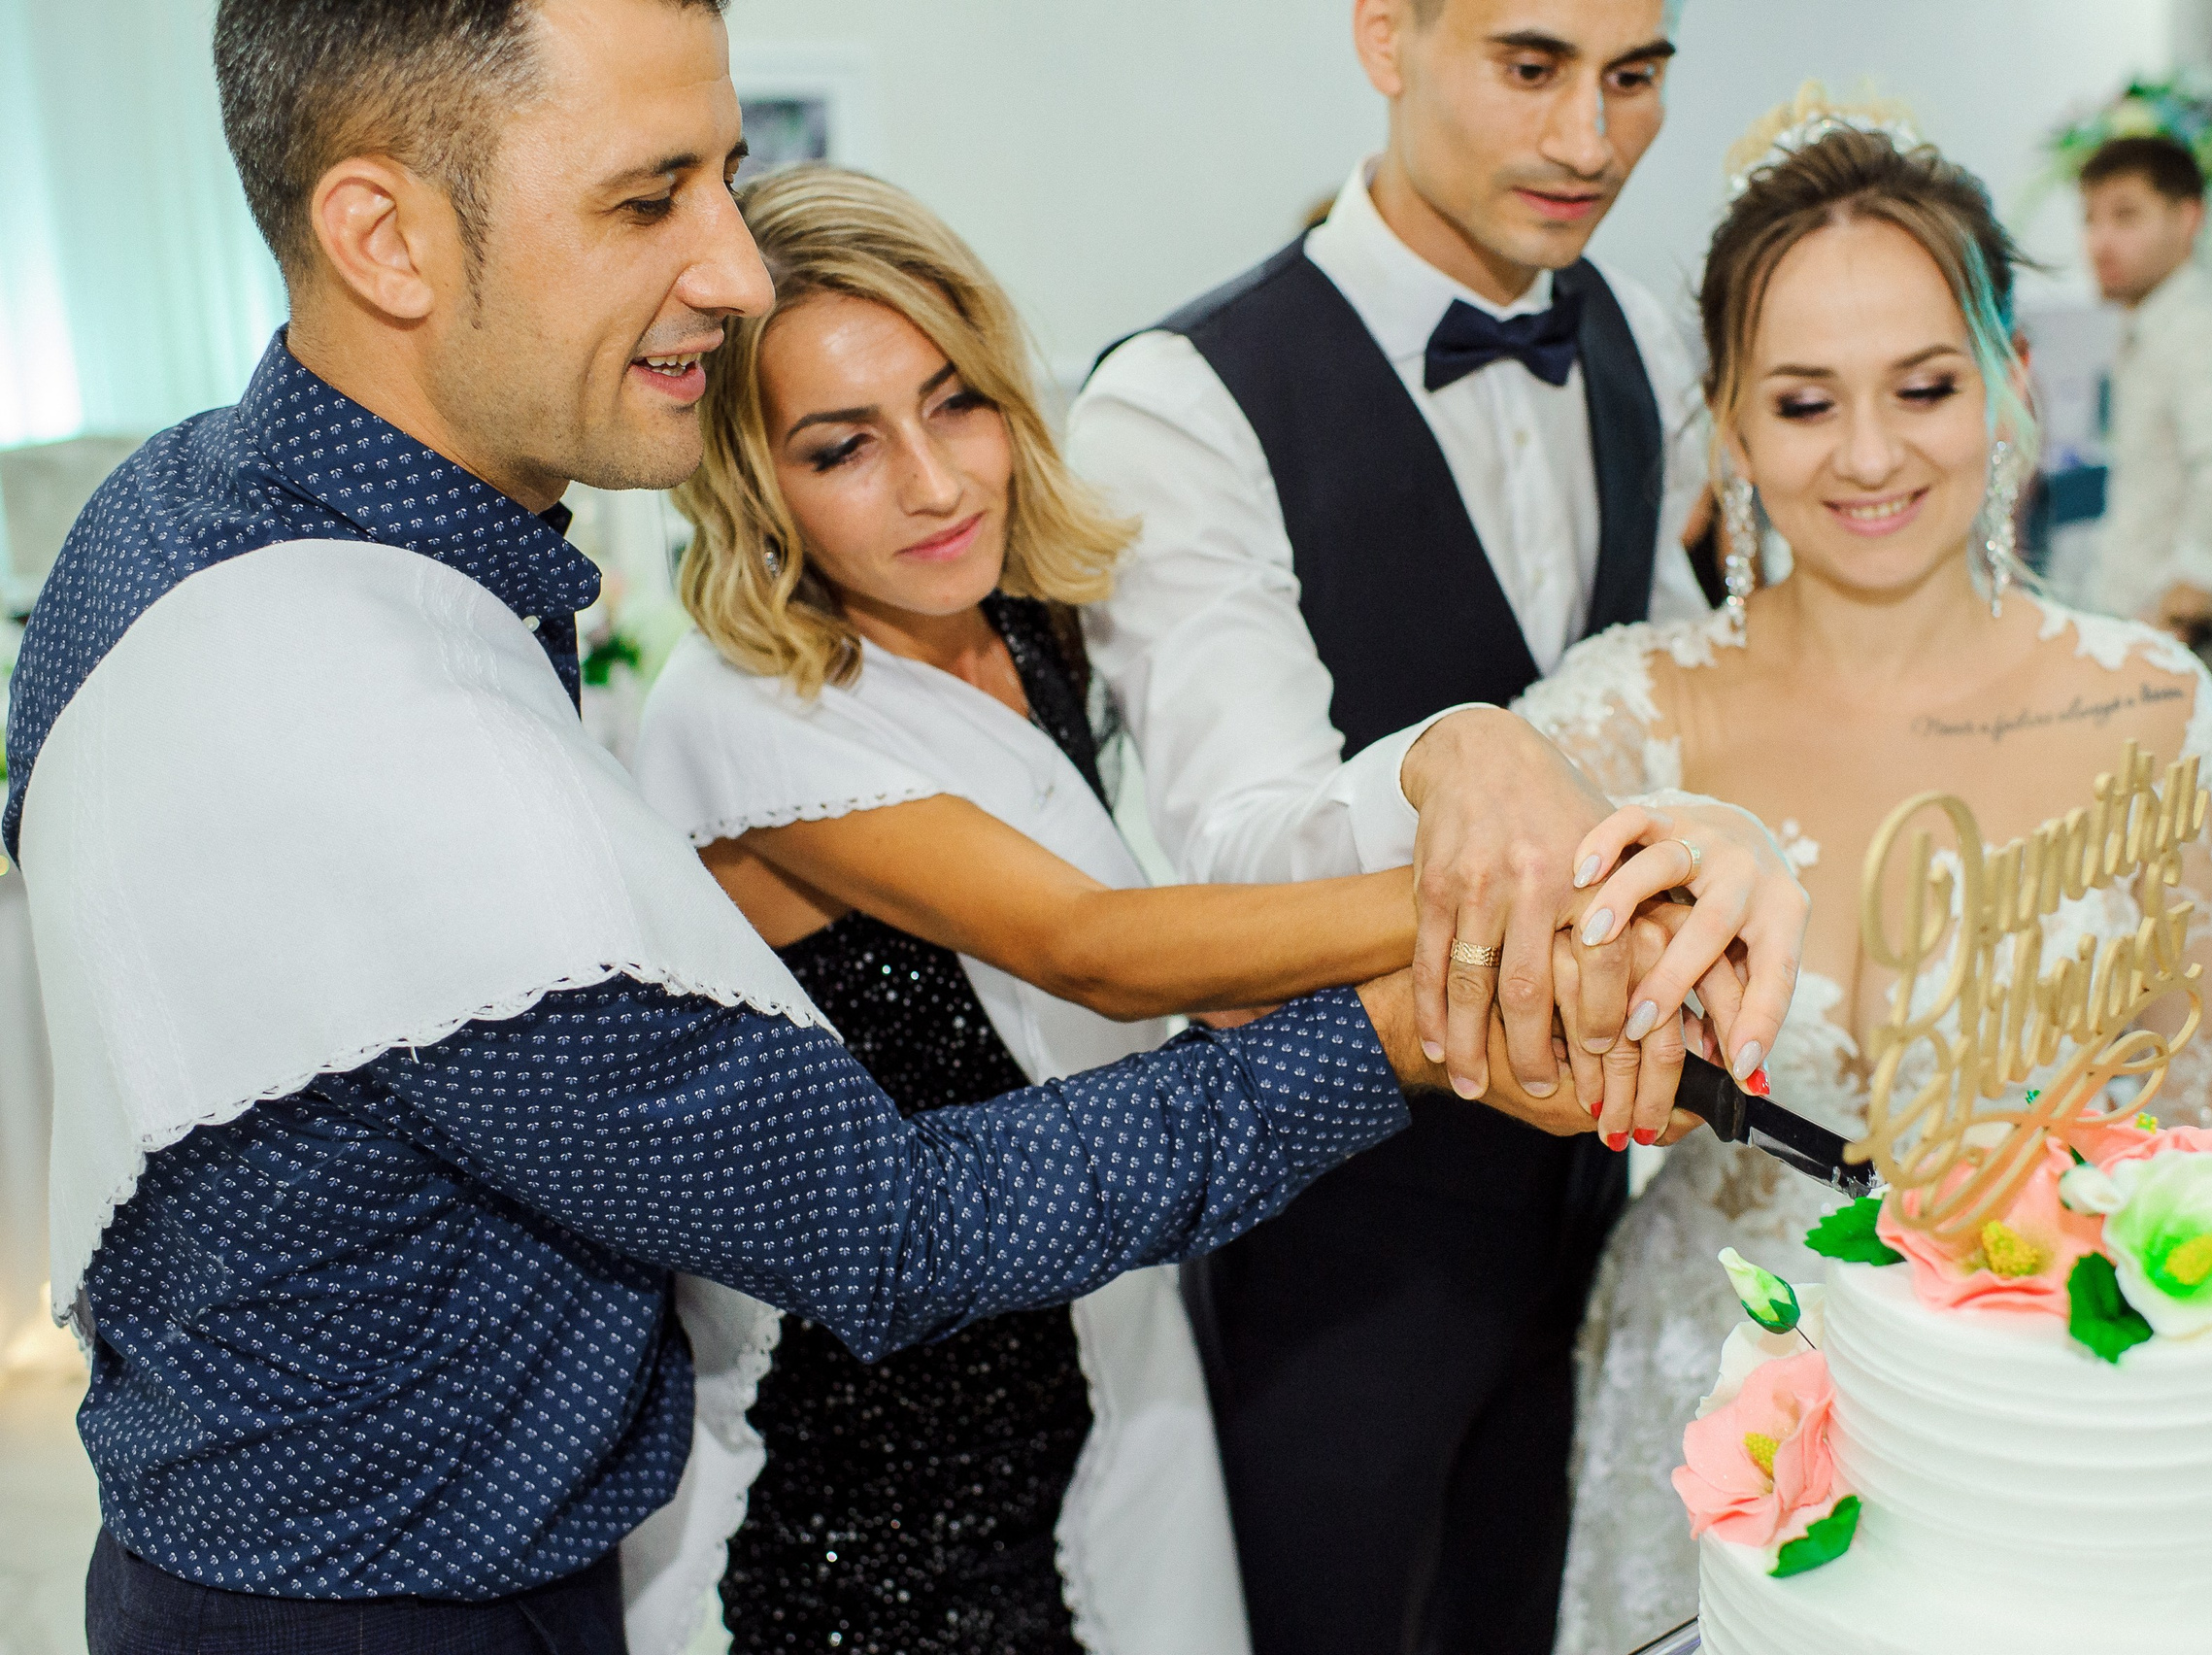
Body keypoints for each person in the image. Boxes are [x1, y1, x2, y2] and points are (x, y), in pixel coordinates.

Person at [5, 4, 1623, 1650]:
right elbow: (893, 1221)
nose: (735, 268)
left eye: (728, 176)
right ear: (383, 237)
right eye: (648, 199)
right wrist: (1414, 1022)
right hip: (386, 1609)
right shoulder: (398, 741)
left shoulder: (176, 516)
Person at [625, 164, 1705, 1655]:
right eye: (842, 448)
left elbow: (1221, 859)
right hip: (867, 1475)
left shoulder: (1015, 617)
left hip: (1099, 1381)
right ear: (747, 479)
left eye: (956, 403)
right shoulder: (739, 713)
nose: (936, 481)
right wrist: (1492, 890)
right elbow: (1100, 950)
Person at [1516, 104, 2212, 1650]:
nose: (1870, 456)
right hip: (1723, 1390)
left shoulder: (2147, 705)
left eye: (1926, 387)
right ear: (1731, 427)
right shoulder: (1619, 720)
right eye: (1805, 403)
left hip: (2052, 1407)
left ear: (2013, 383)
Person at [1066, 2, 1811, 1649]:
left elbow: (1664, 691)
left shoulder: (1624, 339)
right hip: (1334, 1233)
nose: (1590, 140)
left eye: (1636, 79)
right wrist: (1447, 757)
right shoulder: (1182, 403)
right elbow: (1232, 857)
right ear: (1387, 38)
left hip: (1586, 1218)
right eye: (1531, 67)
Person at [2079, 134, 2212, 668]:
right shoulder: (2151, 319)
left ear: (2189, 218)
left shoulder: (2198, 325)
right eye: (2090, 219)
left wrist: (2187, 599)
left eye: (2126, 217)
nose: (2101, 242)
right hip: (2132, 608)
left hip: (2169, 629)